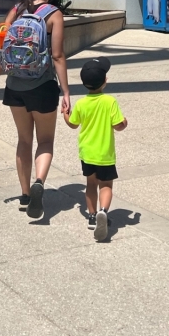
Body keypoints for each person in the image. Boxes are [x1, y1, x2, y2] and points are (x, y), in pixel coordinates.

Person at [0, 0, 72, 219]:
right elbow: (57, 55)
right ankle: (39, 182)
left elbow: (3, 51)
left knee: (24, 140)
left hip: (15, 86)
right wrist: (65, 91)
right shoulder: (54, 15)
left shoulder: (16, 11)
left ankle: (24, 195)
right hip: (43, 86)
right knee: (45, 140)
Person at [63, 56, 127, 242]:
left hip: (87, 153)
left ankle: (92, 216)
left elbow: (73, 124)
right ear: (105, 81)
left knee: (90, 184)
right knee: (105, 185)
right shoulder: (109, 102)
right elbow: (118, 125)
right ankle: (103, 212)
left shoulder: (82, 103)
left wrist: (65, 114)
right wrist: (124, 122)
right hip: (105, 153)